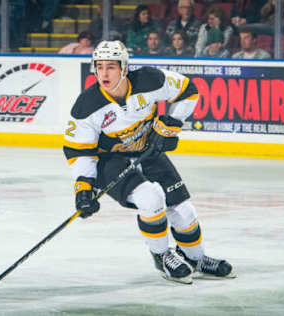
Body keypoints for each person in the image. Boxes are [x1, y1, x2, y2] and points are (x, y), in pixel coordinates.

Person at [63, 40, 236, 283]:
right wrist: (83, 189)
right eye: (99, 66)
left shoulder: (149, 80)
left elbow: (188, 90)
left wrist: (171, 124)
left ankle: (195, 259)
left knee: (184, 212)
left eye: (111, 67)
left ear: (124, 67)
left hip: (147, 151)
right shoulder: (86, 106)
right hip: (108, 161)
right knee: (150, 197)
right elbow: (79, 152)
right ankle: (162, 255)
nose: (104, 73)